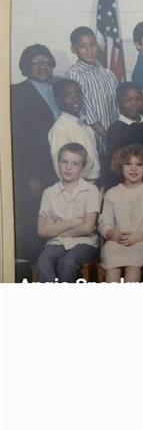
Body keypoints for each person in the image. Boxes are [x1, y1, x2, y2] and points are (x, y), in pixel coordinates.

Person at [11, 44, 59, 265]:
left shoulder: (58, 89)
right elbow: (19, 141)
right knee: (35, 218)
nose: (42, 66)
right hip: (35, 171)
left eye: (45, 61)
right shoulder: (17, 93)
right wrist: (31, 176)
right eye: (35, 62)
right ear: (25, 67)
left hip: (59, 166)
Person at [99, 145, 143, 281]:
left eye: (139, 164)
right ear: (120, 166)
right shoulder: (112, 193)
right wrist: (113, 234)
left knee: (133, 263)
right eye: (128, 164)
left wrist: (140, 236)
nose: (133, 168)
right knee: (111, 258)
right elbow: (104, 224)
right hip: (117, 241)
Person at [36, 144, 100, 283]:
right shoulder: (49, 193)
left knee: (67, 263)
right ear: (58, 163)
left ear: (82, 167)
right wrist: (74, 221)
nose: (68, 167)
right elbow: (42, 230)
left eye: (75, 163)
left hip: (85, 243)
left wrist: (56, 228)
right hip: (57, 243)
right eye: (64, 162)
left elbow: (87, 228)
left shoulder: (91, 191)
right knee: (43, 262)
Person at [65, 27, 119, 157]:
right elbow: (86, 112)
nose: (89, 50)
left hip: (115, 135)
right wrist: (107, 136)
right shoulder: (74, 75)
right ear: (74, 49)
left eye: (92, 44)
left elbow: (117, 105)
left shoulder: (107, 73)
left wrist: (119, 134)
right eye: (82, 46)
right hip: (94, 139)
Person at [47, 79, 101, 181]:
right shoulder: (60, 129)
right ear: (58, 101)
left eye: (77, 94)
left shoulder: (83, 123)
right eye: (68, 95)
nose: (74, 98)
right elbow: (61, 168)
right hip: (77, 187)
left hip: (93, 184)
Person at [104, 82, 143, 188]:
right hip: (124, 185)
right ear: (118, 103)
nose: (134, 103)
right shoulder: (115, 129)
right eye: (128, 100)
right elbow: (114, 164)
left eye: (138, 99)